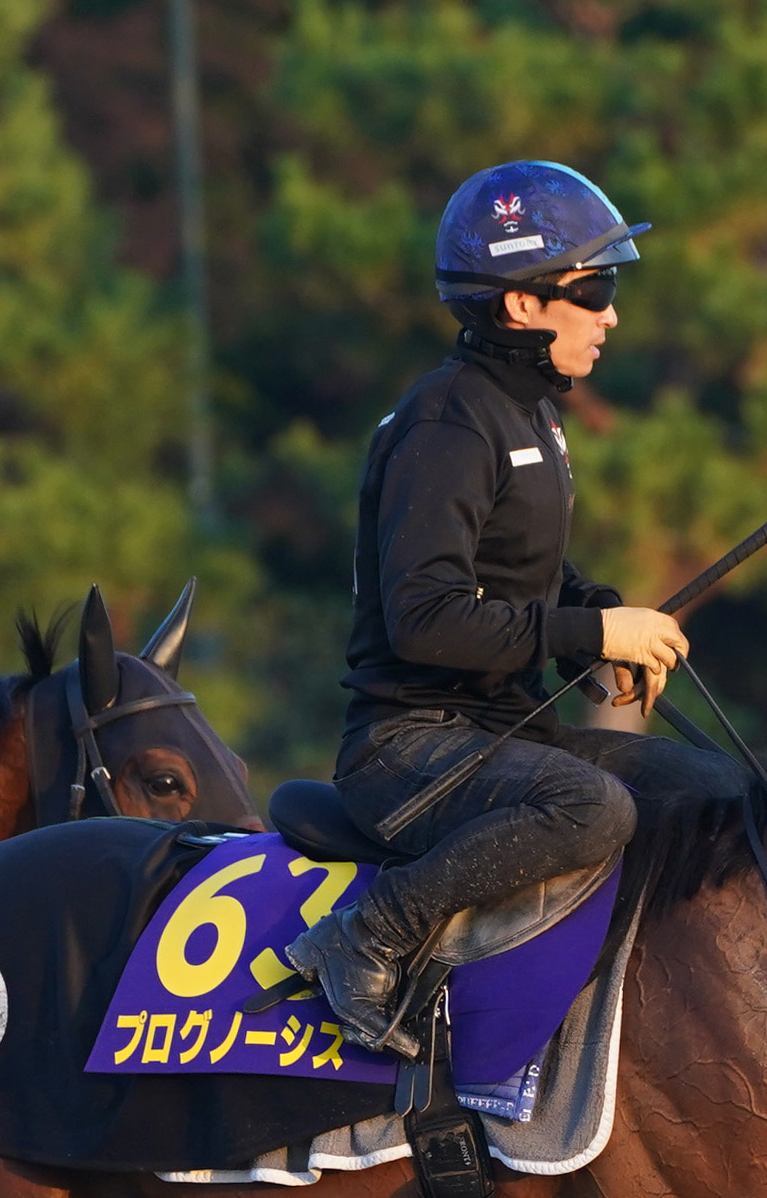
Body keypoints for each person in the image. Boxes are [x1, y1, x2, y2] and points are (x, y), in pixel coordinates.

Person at [285, 160, 736, 1055]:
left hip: (498, 734)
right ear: (521, 305)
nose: (610, 313)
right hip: (406, 750)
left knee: (719, 792)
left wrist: (596, 624)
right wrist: (595, 631)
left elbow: (525, 571)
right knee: (592, 810)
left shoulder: (525, 413)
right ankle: (365, 938)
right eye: (594, 287)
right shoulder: (448, 423)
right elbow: (426, 617)